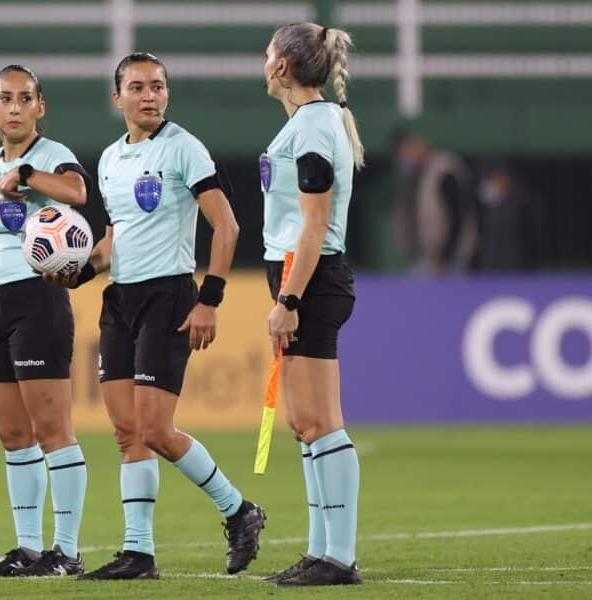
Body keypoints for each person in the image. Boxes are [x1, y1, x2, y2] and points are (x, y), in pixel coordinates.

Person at [49, 52, 264, 580]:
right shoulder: (108, 159)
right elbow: (114, 239)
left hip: (169, 297)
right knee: (128, 433)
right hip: (120, 300)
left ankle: (238, 510)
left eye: (159, 87)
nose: (150, 96)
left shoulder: (183, 147)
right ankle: (139, 553)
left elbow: (227, 227)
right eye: (139, 87)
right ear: (116, 97)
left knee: (155, 427)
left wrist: (209, 299)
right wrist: (79, 271)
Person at [0, 64, 91, 578]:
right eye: (6, 98)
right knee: (13, 434)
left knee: (52, 429)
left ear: (41, 108)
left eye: (26, 98)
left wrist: (30, 178)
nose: (15, 107)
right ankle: (29, 549)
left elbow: (78, 194)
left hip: (37, 298)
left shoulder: (52, 156)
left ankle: (68, 551)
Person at [258, 23, 363, 586]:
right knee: (303, 424)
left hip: (313, 280)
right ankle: (322, 550)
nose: (264, 61)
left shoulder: (314, 129)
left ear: (282, 69)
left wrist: (290, 298)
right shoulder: (309, 123)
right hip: (300, 275)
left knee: (321, 421)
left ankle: (339, 558)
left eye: (268, 53)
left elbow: (316, 222)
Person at [392, 130, 478, 274]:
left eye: (407, 151)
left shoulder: (444, 171)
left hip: (449, 259)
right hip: (424, 257)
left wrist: (445, 254)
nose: (406, 158)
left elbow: (458, 216)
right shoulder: (414, 175)